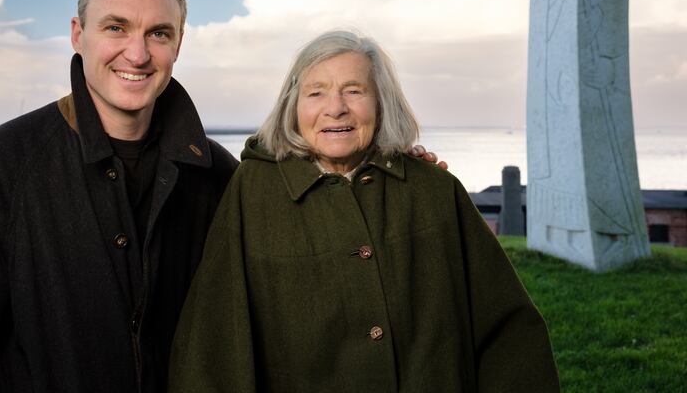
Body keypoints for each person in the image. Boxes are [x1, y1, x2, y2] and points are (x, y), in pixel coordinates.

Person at [0, 0, 444, 392]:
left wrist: (392, 168)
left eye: (158, 32)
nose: (137, 53)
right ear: (76, 34)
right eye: (116, 27)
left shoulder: (221, 175)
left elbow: (315, 225)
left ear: (179, 43)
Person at [168, 30, 560, 392]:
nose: (335, 109)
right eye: (316, 92)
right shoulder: (252, 191)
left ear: (381, 101)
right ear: (293, 105)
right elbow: (214, 341)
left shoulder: (435, 190)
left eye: (354, 91)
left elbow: (509, 334)